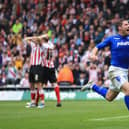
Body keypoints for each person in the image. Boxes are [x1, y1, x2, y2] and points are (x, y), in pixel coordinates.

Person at [81, 19, 129, 110]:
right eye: (126, 24)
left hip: (124, 72)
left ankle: (92, 86)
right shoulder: (113, 39)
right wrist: (93, 54)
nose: (128, 26)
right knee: (128, 90)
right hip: (116, 71)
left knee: (109, 97)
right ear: (119, 27)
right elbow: (97, 47)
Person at [24, 34, 48, 108]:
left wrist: (38, 38)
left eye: (35, 40)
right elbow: (25, 39)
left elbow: (42, 39)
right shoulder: (33, 45)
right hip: (32, 67)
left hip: (38, 67)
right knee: (31, 84)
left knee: (38, 84)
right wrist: (33, 38)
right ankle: (33, 102)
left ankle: (42, 102)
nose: (33, 40)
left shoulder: (42, 46)